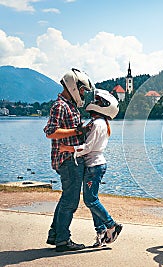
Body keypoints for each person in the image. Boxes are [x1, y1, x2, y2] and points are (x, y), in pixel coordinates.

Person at [60, 89, 122, 247]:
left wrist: (68, 148)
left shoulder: (98, 124)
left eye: (99, 102)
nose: (94, 103)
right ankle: (101, 232)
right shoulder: (97, 123)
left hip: (94, 166)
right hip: (94, 165)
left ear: (104, 107)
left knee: (90, 200)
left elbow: (88, 148)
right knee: (92, 199)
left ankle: (112, 225)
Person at [43, 68, 95, 252]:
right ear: (73, 86)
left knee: (66, 198)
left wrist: (82, 130)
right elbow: (50, 132)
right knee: (70, 202)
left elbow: (70, 128)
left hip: (72, 158)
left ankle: (55, 234)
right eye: (82, 90)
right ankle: (63, 241)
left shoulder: (70, 105)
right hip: (67, 159)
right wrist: (76, 131)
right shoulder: (60, 106)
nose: (82, 93)